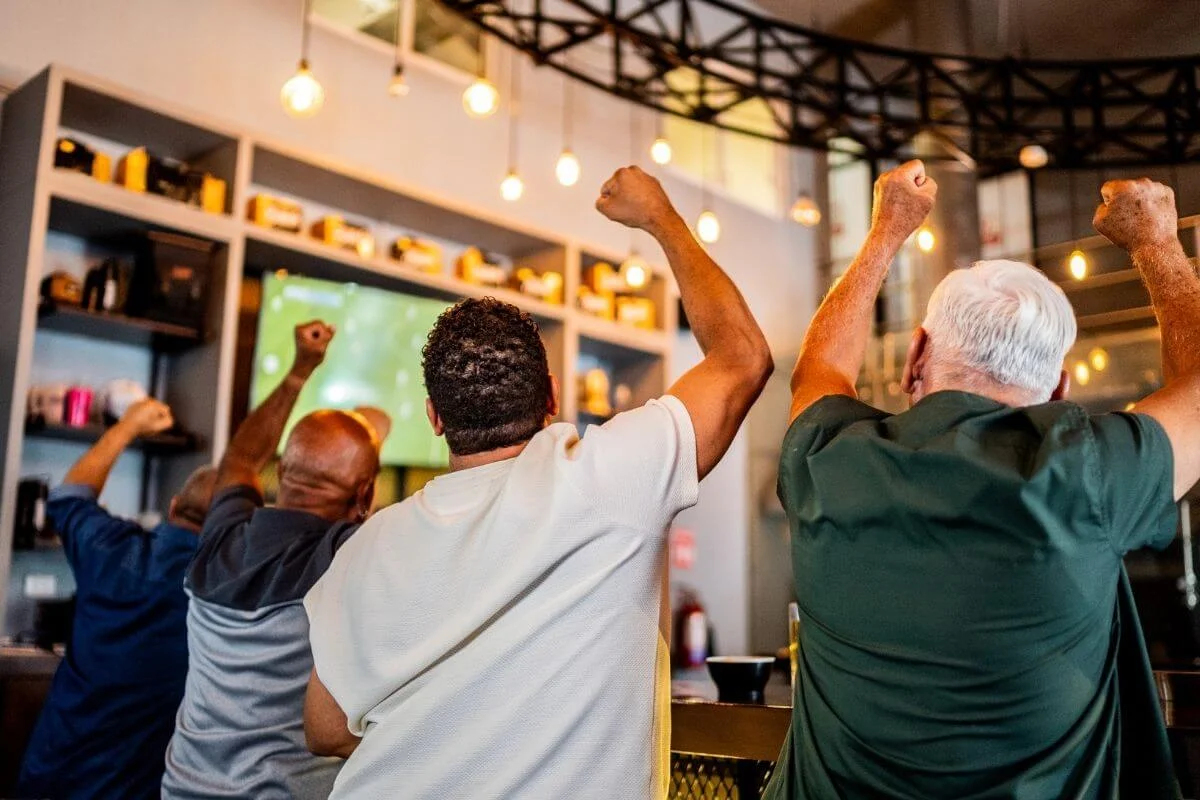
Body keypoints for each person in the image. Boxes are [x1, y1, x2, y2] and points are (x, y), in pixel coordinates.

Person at [302, 166, 772, 799]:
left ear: (435, 419)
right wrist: (661, 219)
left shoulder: (363, 549)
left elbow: (325, 727)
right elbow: (742, 358)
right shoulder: (612, 476)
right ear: (552, 397)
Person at [765, 163, 1194, 799]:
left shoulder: (828, 459)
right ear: (1057, 391)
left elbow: (820, 369)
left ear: (915, 359)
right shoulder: (1091, 471)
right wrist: (1158, 243)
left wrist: (886, 232)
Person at [162, 320, 388, 800]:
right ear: (365, 495)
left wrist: (299, 372)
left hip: (183, 788)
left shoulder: (222, 537)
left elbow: (242, 458)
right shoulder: (351, 555)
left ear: (282, 473)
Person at [16, 399, 215, 800]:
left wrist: (128, 425)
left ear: (173, 506)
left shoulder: (111, 548)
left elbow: (70, 497)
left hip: (51, 775)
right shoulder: (226, 592)